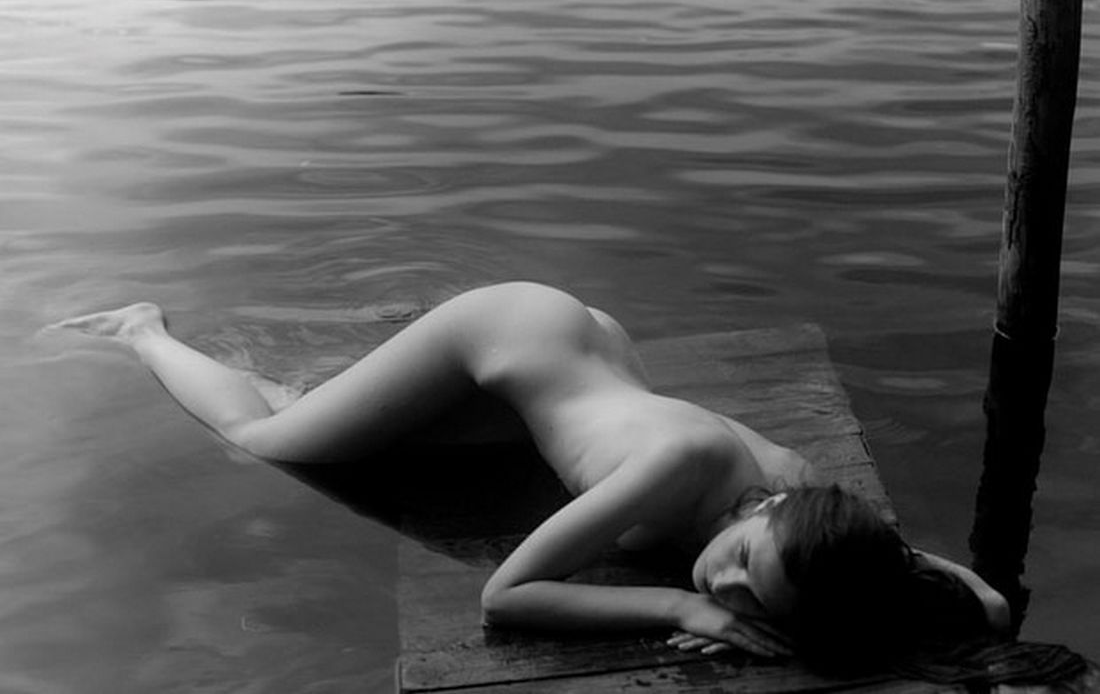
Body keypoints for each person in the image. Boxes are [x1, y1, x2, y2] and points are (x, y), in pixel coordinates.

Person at [54, 281, 1009, 671]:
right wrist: (681, 608)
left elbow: (942, 583)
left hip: (579, 367)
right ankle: (142, 328)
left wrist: (983, 606)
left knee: (365, 436)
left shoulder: (807, 499)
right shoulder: (680, 466)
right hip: (506, 331)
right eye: (741, 564)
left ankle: (335, 399)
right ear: (773, 513)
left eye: (751, 599)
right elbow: (505, 596)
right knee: (264, 441)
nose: (723, 585)